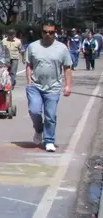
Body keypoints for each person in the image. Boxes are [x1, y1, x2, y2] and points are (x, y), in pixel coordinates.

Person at [26, 22, 73, 152]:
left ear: (55, 33)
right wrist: (29, 81)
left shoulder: (62, 48)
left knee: (50, 115)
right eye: (45, 32)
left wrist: (68, 86)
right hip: (35, 85)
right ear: (41, 32)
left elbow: (67, 68)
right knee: (34, 110)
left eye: (51, 32)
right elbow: (29, 65)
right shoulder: (33, 46)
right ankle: (39, 129)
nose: (48, 35)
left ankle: (49, 140)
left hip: (53, 87)